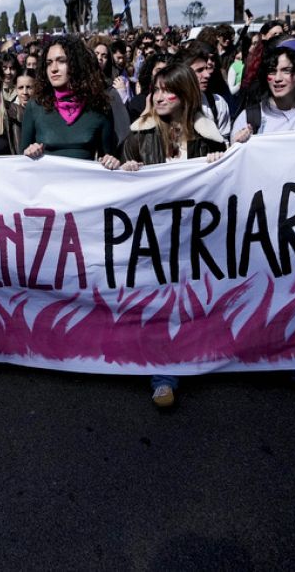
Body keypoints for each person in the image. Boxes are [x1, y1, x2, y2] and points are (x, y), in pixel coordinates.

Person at [98, 63, 225, 407]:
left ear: (186, 95)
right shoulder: (138, 137)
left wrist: (221, 159)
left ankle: (214, 356)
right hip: (154, 239)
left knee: (198, 303)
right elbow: (117, 187)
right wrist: (121, 169)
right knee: (159, 307)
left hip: (197, 240)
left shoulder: (207, 138)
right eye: (156, 89)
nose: (160, 96)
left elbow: (228, 186)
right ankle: (163, 374)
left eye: (169, 90)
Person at [21, 35, 118, 163]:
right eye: (49, 63)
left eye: (61, 61)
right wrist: (27, 154)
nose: (54, 69)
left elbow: (109, 159)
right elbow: (20, 161)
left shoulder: (99, 107)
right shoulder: (35, 106)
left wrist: (112, 162)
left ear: (77, 64)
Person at [231, 39, 295, 145]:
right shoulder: (249, 118)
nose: (277, 78)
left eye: (286, 70)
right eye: (272, 71)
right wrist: (237, 145)